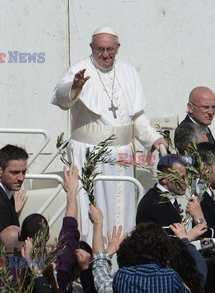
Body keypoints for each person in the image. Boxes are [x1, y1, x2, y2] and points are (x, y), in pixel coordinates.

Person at [51, 26, 167, 243]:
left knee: (122, 207)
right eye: (100, 50)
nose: (105, 55)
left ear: (118, 47)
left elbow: (137, 116)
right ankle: (91, 253)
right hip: (89, 154)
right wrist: (75, 88)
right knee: (91, 207)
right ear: (91, 48)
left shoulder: (128, 71)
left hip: (122, 155)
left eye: (110, 49)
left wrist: (153, 138)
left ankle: (122, 252)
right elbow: (62, 99)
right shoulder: (80, 69)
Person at [180, 87, 215, 189]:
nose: (211, 112)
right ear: (190, 108)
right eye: (205, 107)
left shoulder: (203, 127)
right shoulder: (187, 132)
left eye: (213, 107)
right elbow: (194, 172)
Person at [136, 154, 187, 227]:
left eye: (186, 177)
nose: (185, 182)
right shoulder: (156, 205)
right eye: (180, 177)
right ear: (164, 178)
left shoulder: (162, 198)